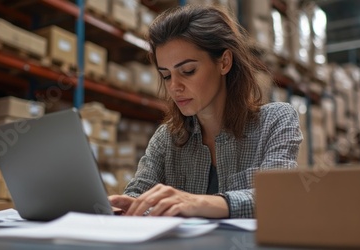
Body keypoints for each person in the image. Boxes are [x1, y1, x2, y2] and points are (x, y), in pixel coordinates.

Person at [109, 4, 303, 218]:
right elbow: (138, 194)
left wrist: (197, 202)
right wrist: (127, 206)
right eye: (166, 75)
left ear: (224, 62)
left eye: (188, 71)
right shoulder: (166, 139)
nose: (174, 86)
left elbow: (278, 198)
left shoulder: (276, 121)